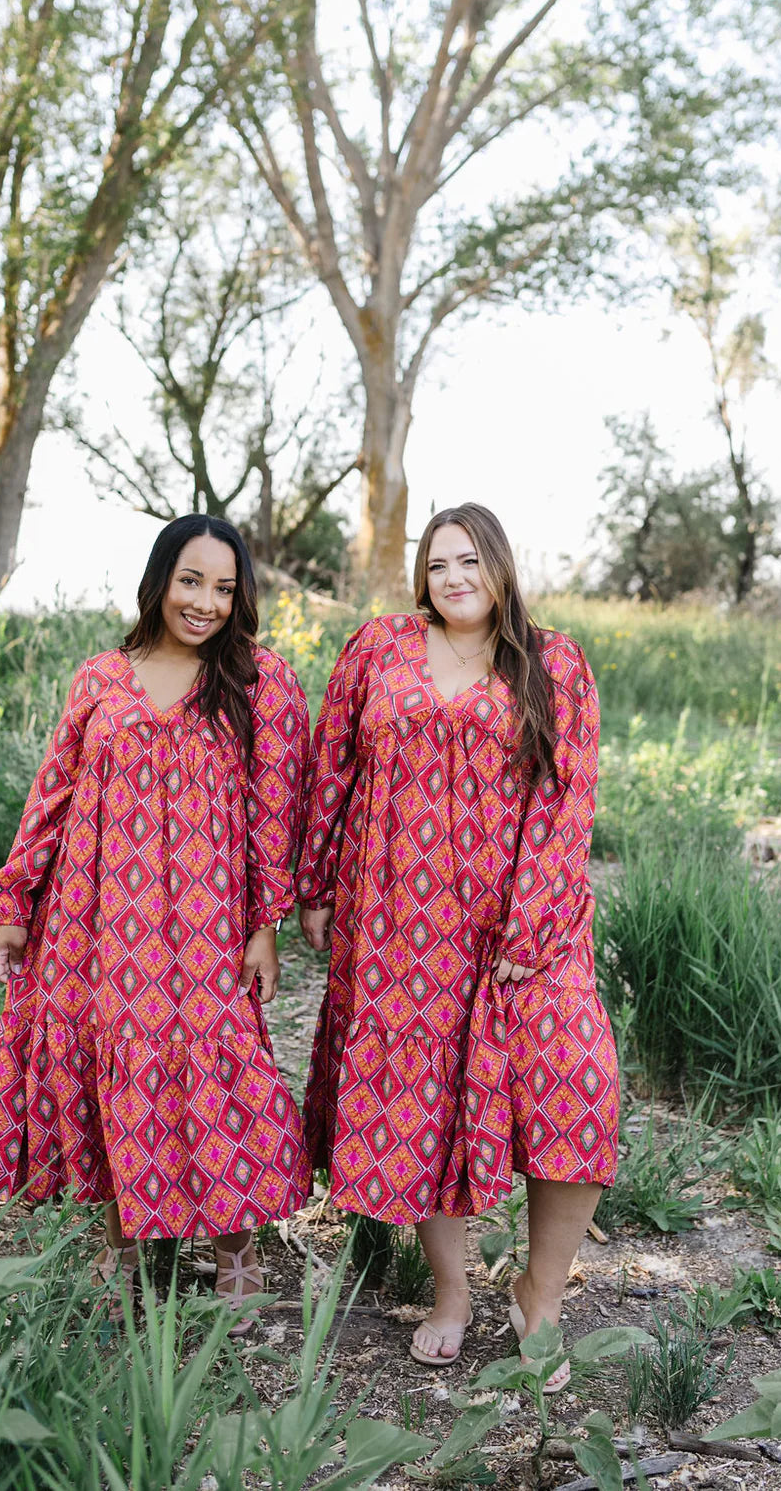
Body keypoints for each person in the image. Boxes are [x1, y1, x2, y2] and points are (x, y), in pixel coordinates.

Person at [297, 503, 618, 1385]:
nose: (453, 579)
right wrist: (316, 886)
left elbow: (570, 794)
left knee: (574, 1089)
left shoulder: (554, 661)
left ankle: (538, 1294)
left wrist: (531, 916)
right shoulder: (379, 649)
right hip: (398, 920)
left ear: (502, 567)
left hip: (524, 928)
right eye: (437, 565)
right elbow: (332, 769)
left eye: (470, 561)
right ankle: (452, 1293)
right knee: (420, 1106)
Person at [0, 514, 311, 1329]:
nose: (204, 602)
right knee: (106, 1065)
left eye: (224, 588)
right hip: (96, 917)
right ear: (160, 578)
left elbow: (277, 812)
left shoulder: (260, 680)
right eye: (191, 581)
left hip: (201, 916)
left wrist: (263, 922)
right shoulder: (102, 677)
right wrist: (15, 906)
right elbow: (52, 793)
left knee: (221, 1065)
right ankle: (120, 1244)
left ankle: (233, 1248)